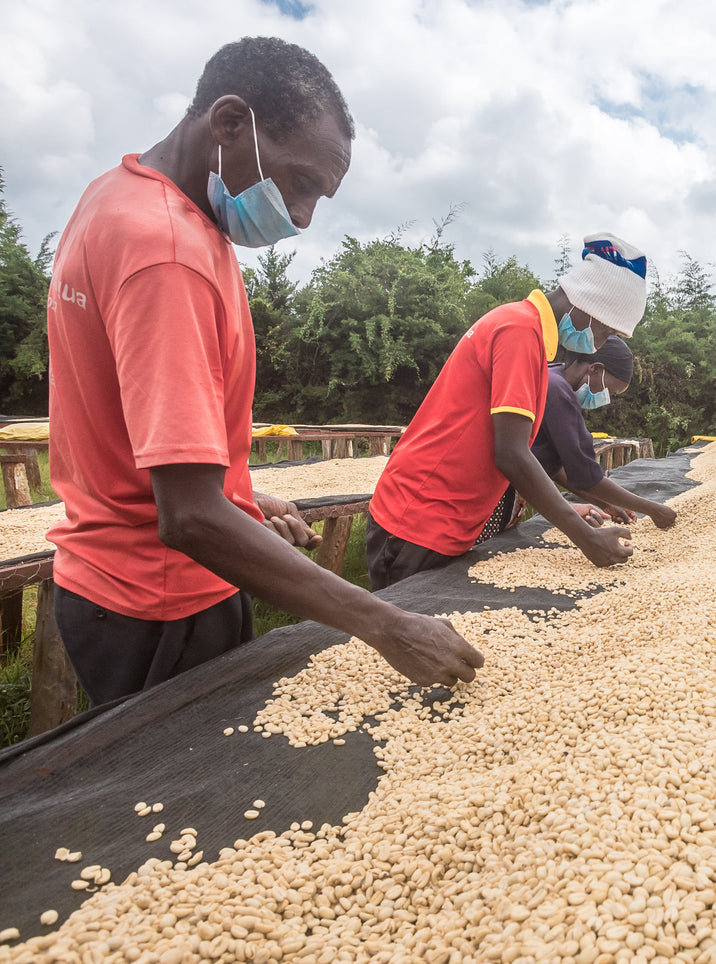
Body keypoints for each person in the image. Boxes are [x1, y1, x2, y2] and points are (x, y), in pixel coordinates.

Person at [45, 38, 484, 706]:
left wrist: (243, 499)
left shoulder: (118, 197)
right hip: (161, 600)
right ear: (228, 124)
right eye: (301, 183)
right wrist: (385, 623)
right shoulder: (168, 253)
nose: (305, 217)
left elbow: (142, 438)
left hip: (109, 582)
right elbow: (188, 517)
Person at [365, 234, 646, 591]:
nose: (600, 344)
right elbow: (511, 455)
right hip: (421, 517)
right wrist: (585, 538)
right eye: (605, 331)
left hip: (446, 516)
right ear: (587, 307)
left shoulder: (526, 331)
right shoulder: (519, 331)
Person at [532, 337, 677, 528]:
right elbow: (586, 475)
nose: (607, 398)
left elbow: (554, 467)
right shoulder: (557, 390)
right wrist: (654, 510)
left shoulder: (554, 376)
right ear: (595, 369)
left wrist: (607, 504)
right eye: (610, 391)